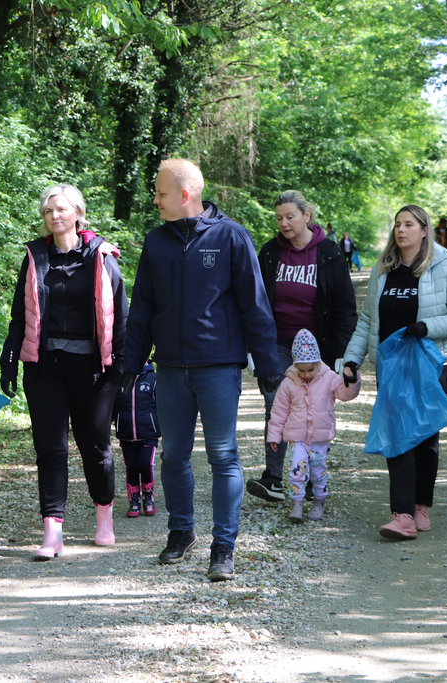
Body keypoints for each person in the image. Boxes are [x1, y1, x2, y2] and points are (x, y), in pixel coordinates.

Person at [123, 158, 282, 582]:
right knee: (173, 455)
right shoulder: (156, 242)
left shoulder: (231, 236)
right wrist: (130, 363)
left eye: (160, 193)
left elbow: (254, 304)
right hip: (170, 369)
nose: (155, 200)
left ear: (184, 195)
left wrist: (268, 364)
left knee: (223, 455)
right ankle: (181, 531)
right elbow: (142, 308)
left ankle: (223, 545)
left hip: (218, 367)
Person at [0, 183, 127, 561]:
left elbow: (121, 313)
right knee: (50, 447)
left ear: (77, 214)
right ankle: (52, 530)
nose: (54, 216)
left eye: (62, 209)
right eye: (48, 211)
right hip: (45, 367)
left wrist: (123, 365)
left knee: (95, 444)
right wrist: (10, 357)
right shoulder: (35, 256)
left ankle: (104, 515)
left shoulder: (101, 256)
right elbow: (20, 314)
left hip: (94, 370)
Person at [343, 205, 447, 540]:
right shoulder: (383, 268)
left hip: (432, 362)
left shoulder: (444, 265)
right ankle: (401, 514)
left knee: (425, 435)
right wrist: (352, 359)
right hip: (392, 364)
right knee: (398, 432)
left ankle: (420, 505)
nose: (401, 230)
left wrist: (426, 327)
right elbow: (368, 320)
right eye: (398, 224)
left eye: (409, 224)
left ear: (425, 229)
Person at [246, 191, 358, 505]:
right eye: (279, 218)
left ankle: (307, 477)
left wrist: (342, 353)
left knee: (312, 409)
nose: (284, 223)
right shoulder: (270, 253)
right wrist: (252, 345)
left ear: (306, 216)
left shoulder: (329, 253)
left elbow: (345, 307)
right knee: (277, 402)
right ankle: (272, 479)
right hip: (278, 342)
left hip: (317, 347)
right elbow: (254, 300)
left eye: (290, 216)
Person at [266, 329, 360, 523]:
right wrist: (274, 435)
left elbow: (345, 394)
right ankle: (297, 503)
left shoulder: (329, 378)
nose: (306, 374)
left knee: (318, 472)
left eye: (310, 370)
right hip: (298, 437)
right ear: (295, 366)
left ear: (318, 364)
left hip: (319, 437)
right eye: (301, 370)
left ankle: (319, 501)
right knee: (296, 470)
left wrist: (351, 380)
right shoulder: (289, 382)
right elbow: (279, 411)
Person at [113, 360, 160, 518]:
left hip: (149, 432)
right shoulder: (120, 378)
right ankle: (134, 499)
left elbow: (162, 404)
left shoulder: (154, 378)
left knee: (146, 464)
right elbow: (113, 404)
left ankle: (148, 494)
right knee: (131, 466)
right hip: (126, 432)